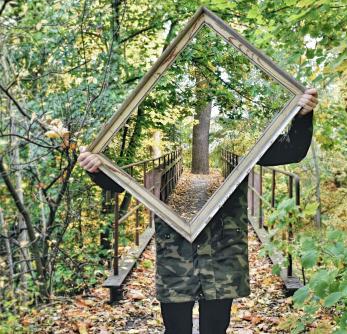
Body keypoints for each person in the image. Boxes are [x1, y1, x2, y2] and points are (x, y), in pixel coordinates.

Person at [78, 88, 318, 334]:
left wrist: (302, 115)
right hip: (175, 253)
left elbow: (292, 151)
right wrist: (96, 169)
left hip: (223, 250)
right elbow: (125, 183)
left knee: (215, 329)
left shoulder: (242, 138)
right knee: (176, 329)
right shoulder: (162, 140)